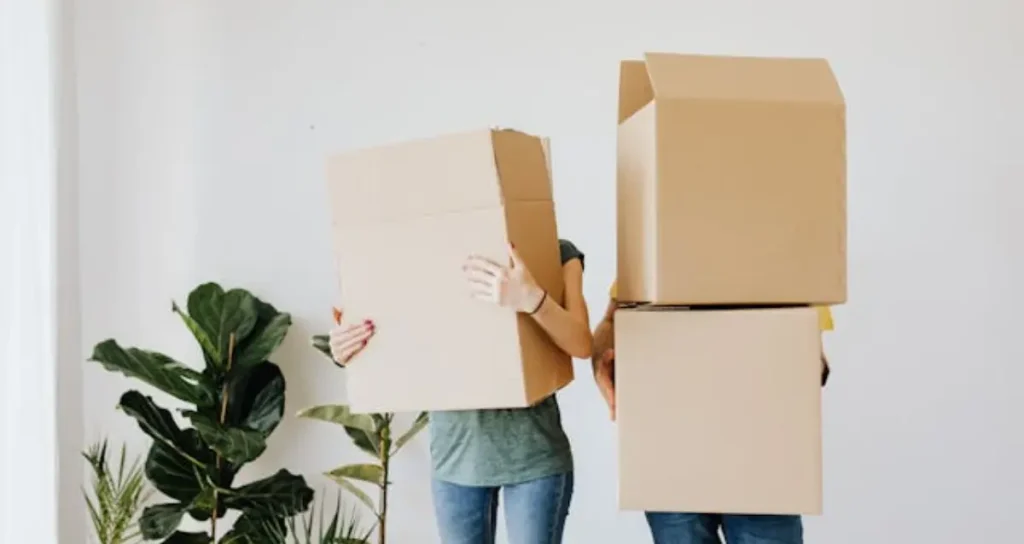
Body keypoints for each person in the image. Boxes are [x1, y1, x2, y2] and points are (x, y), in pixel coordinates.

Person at [328, 240, 593, 544]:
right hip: (455, 459)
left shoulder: (553, 249)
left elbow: (582, 344)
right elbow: (386, 333)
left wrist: (531, 298)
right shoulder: (417, 254)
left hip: (533, 457)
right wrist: (347, 349)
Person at [591, 280, 833, 544]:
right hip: (672, 455)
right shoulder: (657, 247)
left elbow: (811, 351)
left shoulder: (784, 257)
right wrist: (600, 363)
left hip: (759, 457)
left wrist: (802, 364)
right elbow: (611, 322)